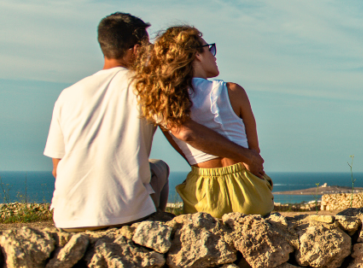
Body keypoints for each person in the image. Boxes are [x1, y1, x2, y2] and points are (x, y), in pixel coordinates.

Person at [44, 13, 264, 230]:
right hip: (125, 214)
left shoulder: (68, 94)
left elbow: (57, 168)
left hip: (66, 217)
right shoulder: (144, 86)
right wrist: (247, 156)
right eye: (148, 46)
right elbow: (186, 132)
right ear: (137, 49)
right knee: (160, 169)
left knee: (157, 166)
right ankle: (152, 219)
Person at [132, 25, 274, 217]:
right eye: (210, 49)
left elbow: (189, 154)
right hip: (249, 189)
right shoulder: (232, 91)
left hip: (204, 194)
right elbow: (254, 152)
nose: (214, 55)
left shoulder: (164, 103)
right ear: (197, 55)